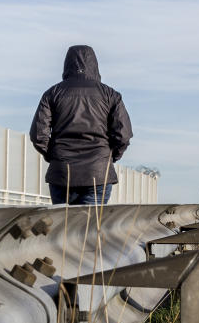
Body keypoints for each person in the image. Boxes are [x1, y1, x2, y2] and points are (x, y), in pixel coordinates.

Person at [29, 45, 133, 205]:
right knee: (92, 227)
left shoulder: (52, 93)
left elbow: (38, 135)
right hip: (98, 173)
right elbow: (123, 135)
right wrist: (110, 157)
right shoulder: (110, 95)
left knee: (64, 226)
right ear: (95, 65)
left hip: (62, 172)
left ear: (66, 64)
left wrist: (55, 156)